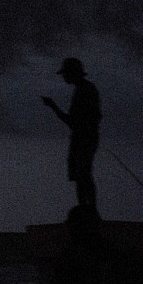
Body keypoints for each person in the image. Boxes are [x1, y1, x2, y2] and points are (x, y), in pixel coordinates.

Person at [42, 58, 102, 208]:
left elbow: (72, 121)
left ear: (71, 73)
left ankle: (88, 212)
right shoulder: (88, 89)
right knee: (83, 175)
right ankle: (88, 210)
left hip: (83, 140)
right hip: (86, 138)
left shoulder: (84, 91)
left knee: (83, 176)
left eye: (65, 74)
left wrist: (53, 106)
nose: (63, 77)